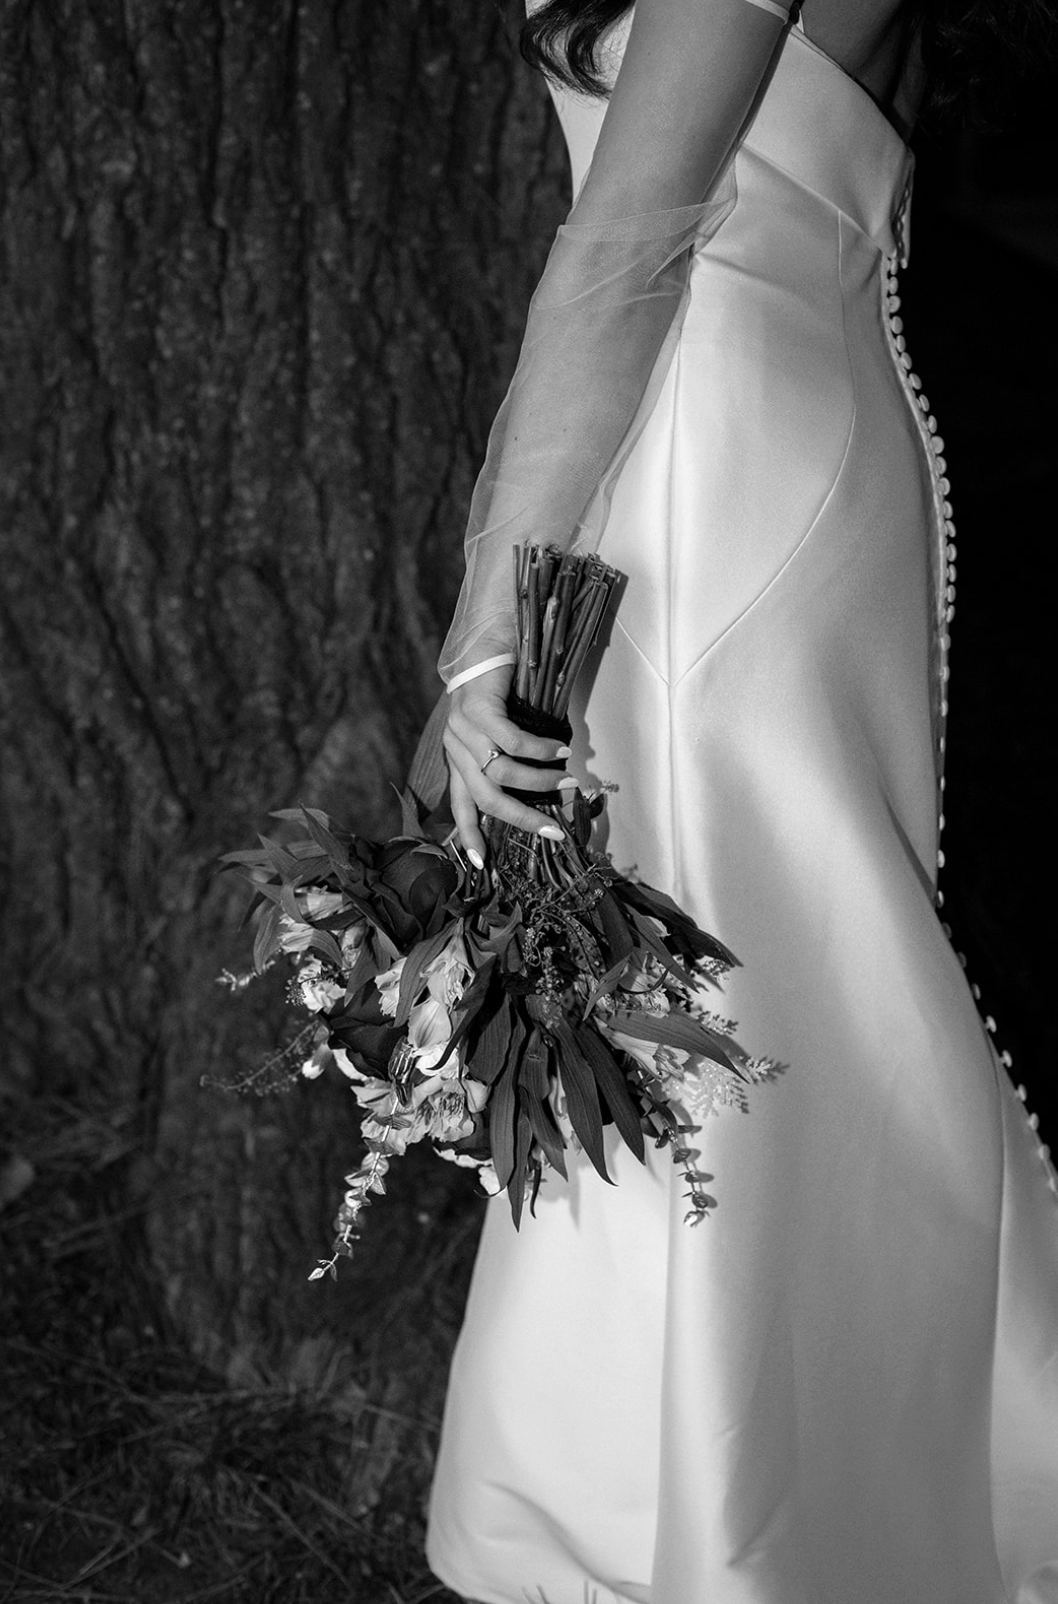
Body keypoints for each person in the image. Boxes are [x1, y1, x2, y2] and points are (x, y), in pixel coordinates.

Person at [426, 0, 1058, 1599]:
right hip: (747, 429)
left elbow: (629, 239)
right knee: (739, 981)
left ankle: (772, 1519)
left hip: (713, 465)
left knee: (730, 989)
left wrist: (481, 638)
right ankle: (766, 1492)